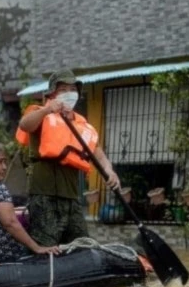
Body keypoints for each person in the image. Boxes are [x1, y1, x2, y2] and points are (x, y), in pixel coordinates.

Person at [17, 69, 120, 246]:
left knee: (82, 243)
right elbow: (25, 125)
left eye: (72, 89)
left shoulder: (82, 125)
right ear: (52, 94)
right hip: (44, 193)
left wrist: (109, 171)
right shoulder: (40, 112)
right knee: (46, 244)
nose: (69, 94)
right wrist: (48, 109)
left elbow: (98, 154)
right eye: (63, 90)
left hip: (71, 196)